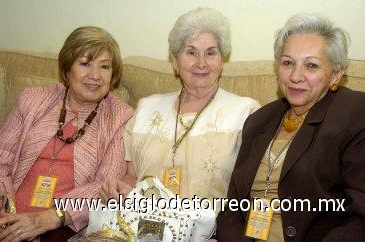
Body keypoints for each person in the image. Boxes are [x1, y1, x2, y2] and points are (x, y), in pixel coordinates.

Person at [216, 14, 365, 241]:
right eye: (287, 63)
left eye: (311, 65)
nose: (295, 76)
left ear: (337, 74)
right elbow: (232, 206)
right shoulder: (259, 120)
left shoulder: (357, 112)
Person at [100, 7, 260, 208]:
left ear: (221, 61)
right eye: (191, 52)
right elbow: (131, 177)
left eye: (210, 53)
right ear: (174, 62)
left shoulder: (246, 112)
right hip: (145, 228)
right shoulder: (146, 109)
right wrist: (118, 189)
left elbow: (256, 191)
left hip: (210, 231)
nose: (201, 63)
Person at [0, 26, 133, 242]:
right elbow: (1, 157)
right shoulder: (33, 99)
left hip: (64, 226)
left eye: (104, 66)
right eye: (85, 63)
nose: (95, 76)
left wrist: (48, 218)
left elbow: (105, 187)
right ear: (67, 68)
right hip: (9, 216)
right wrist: (5, 206)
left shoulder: (119, 118)